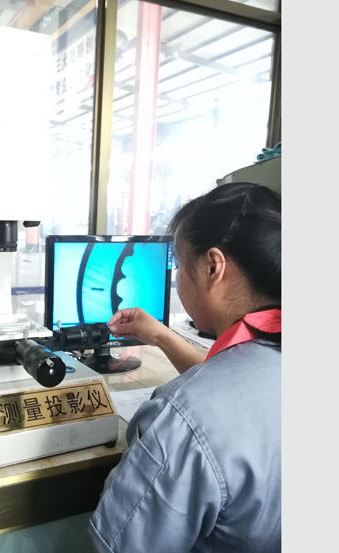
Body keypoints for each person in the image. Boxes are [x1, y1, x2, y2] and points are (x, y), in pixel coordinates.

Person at [87, 182, 281, 553]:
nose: (176, 276)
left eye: (178, 263)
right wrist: (161, 335)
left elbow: (119, 545)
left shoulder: (182, 419)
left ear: (213, 267)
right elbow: (238, 382)